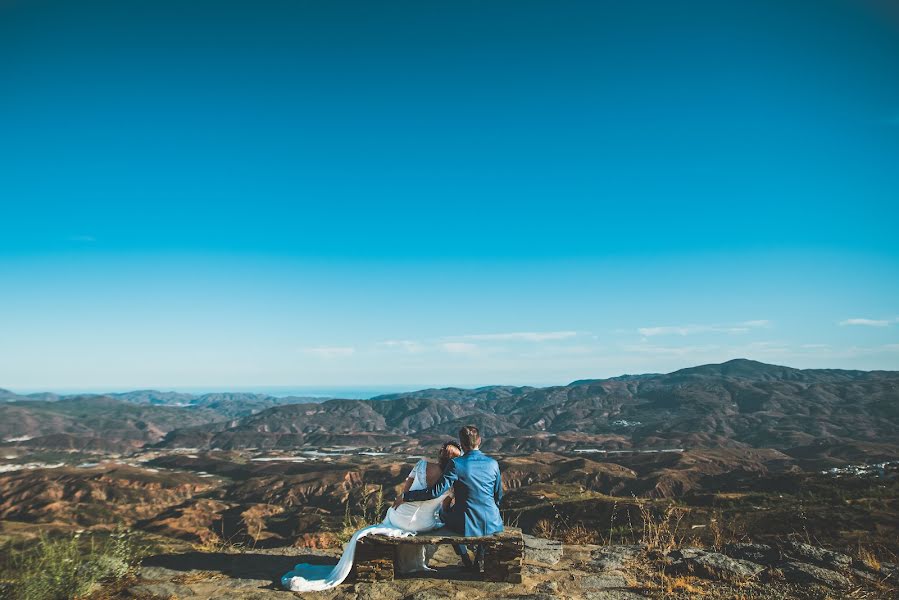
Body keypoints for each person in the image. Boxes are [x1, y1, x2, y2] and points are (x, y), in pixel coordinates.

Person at [281, 441, 463, 592]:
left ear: (439, 454)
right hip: (423, 524)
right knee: (436, 522)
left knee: (391, 515)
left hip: (401, 518)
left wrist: (404, 501)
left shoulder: (422, 464)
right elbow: (444, 509)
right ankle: (413, 562)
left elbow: (405, 491)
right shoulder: (452, 483)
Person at [398, 425, 504, 572]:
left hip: (465, 523)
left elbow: (434, 493)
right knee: (475, 519)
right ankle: (479, 558)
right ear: (479, 440)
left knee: (443, 514)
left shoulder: (456, 464)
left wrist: (406, 496)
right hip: (493, 521)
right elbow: (498, 496)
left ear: (461, 444)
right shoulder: (493, 464)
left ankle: (466, 559)